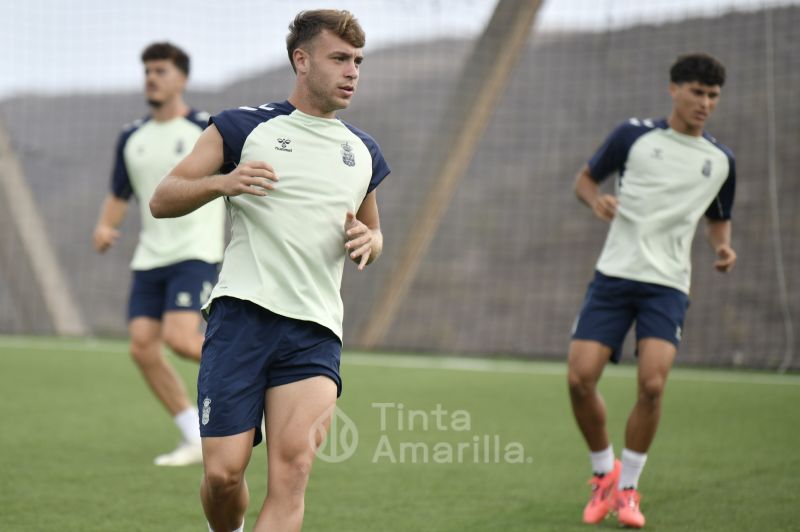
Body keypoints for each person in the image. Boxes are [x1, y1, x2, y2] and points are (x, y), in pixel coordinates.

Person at [149, 10, 389, 532]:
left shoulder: (363, 151)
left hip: (315, 330)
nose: (352, 71)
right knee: (223, 476)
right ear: (302, 61)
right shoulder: (241, 126)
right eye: (340, 59)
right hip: (241, 320)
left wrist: (369, 240)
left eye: (358, 62)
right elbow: (163, 198)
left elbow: (374, 230)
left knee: (294, 471)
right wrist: (221, 183)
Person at [566, 53, 736, 528]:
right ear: (674, 90)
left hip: (667, 286)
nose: (705, 103)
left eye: (713, 96)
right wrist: (595, 199)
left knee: (653, 385)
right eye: (697, 92)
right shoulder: (633, 136)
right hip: (614, 277)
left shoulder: (721, 161)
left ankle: (627, 489)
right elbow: (584, 180)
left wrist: (723, 250)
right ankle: (604, 473)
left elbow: (719, 222)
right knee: (580, 379)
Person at [93, 42, 225, 466]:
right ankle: (193, 435)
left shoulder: (207, 130)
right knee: (142, 347)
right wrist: (105, 226)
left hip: (196, 252)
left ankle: (253, 365)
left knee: (181, 338)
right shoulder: (132, 137)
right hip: (150, 256)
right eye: (147, 70)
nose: (152, 77)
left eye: (161, 70)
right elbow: (120, 191)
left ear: (182, 79)